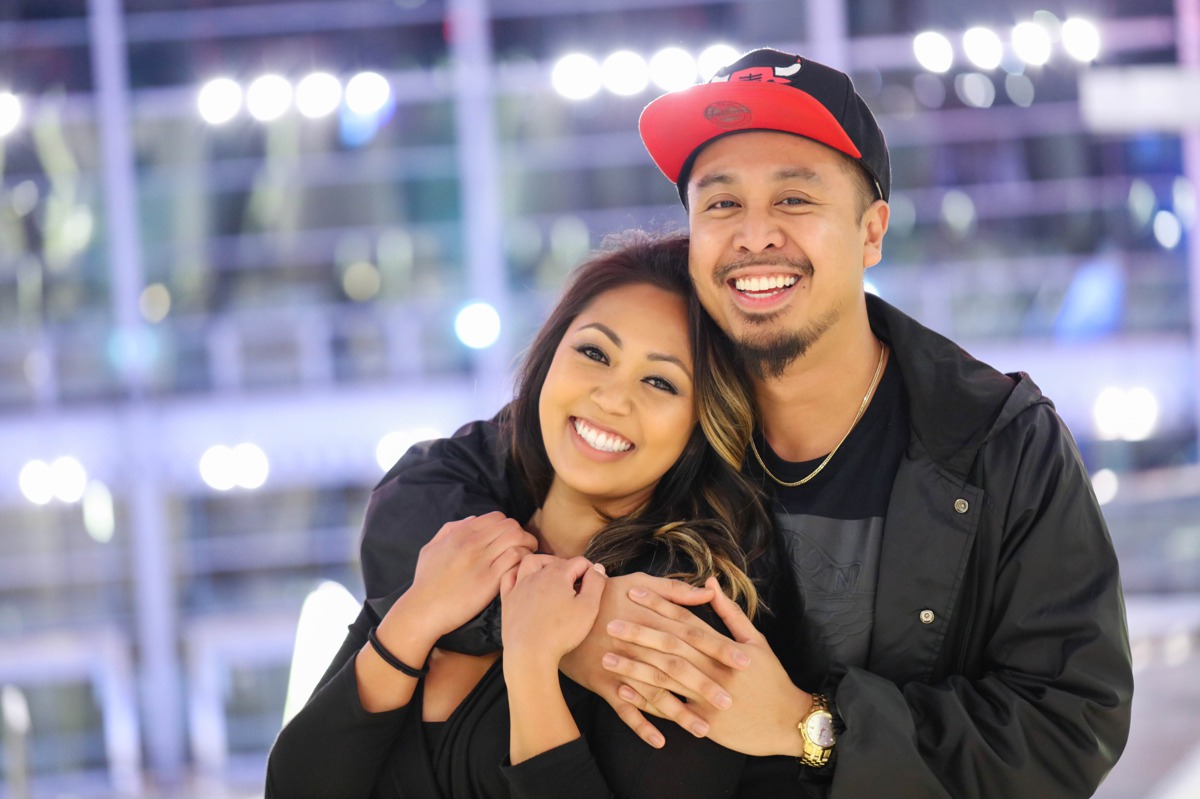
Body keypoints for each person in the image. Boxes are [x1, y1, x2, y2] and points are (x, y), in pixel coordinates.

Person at [356, 48, 1134, 798]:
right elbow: (420, 499)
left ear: (872, 231)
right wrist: (568, 629)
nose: (755, 234)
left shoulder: (994, 441)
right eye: (722, 202)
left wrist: (812, 726)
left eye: (794, 198)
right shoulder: (656, 399)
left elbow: (1067, 727)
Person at [265, 232, 802, 798]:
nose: (612, 398)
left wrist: (533, 667)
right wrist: (416, 616)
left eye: (659, 381)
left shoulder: (671, 622)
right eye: (594, 353)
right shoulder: (457, 550)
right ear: (549, 358)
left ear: (701, 425)